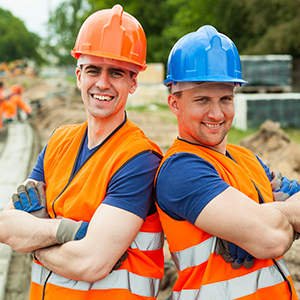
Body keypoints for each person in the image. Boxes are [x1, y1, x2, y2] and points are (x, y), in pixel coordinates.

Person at [0, 4, 164, 300]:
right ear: (78, 75)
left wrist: (33, 240)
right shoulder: (58, 142)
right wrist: (65, 231)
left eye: (116, 72)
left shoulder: (139, 159)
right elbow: (6, 226)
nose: (102, 83)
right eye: (93, 70)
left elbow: (90, 262)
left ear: (133, 81)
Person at [155, 25, 300, 299]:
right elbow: (271, 238)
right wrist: (279, 218)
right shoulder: (180, 170)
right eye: (202, 100)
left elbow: (270, 230)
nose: (216, 112)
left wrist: (268, 215)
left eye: (225, 99)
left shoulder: (247, 158)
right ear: (174, 104)